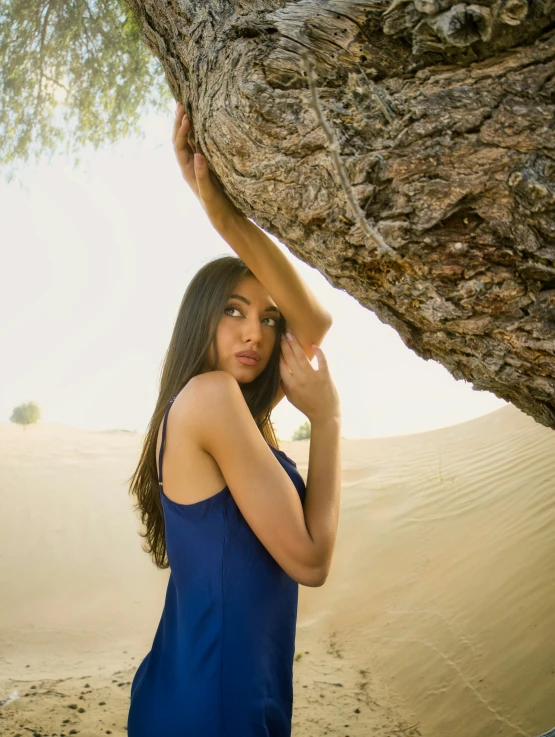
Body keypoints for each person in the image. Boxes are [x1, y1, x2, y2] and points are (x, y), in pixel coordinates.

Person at [126, 101, 342, 737]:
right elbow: (310, 560)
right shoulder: (211, 397)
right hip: (217, 705)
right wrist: (327, 424)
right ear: (201, 318)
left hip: (214, 688)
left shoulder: (223, 411)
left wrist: (224, 215)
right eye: (234, 311)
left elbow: (316, 324)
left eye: (267, 319)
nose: (256, 331)